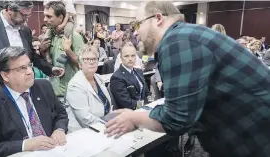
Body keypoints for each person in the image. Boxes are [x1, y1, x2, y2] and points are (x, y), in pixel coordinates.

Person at [105, 2, 270, 157]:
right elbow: (186, 106)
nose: (135, 33)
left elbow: (175, 120)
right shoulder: (185, 36)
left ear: (158, 18)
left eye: (137, 24)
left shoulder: (177, 41)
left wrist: (133, 119)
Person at [0, 46, 69, 157]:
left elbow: (61, 114)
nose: (30, 72)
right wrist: (24, 145)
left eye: (29, 65)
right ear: (5, 75)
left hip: (53, 151)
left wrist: (59, 129)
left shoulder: (43, 86)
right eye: (22, 68)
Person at [0, 0, 63, 97]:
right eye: (23, 15)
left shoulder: (25, 29)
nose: (26, 19)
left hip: (21, 91)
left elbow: (31, 55)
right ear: (9, 10)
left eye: (28, 16)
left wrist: (50, 69)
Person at [66, 45, 112, 133]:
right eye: (87, 59)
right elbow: (85, 118)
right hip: (83, 132)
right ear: (80, 65)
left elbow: (108, 105)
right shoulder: (75, 85)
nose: (91, 62)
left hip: (103, 127)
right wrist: (108, 125)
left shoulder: (98, 78)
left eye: (94, 59)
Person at [42, 1, 84, 97]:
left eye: (49, 16)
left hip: (70, 93)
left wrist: (68, 51)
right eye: (44, 16)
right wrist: (41, 50)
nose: (44, 19)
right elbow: (47, 63)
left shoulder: (75, 37)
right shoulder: (50, 36)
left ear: (60, 17)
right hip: (53, 91)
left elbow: (82, 64)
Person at [110, 42, 150, 110]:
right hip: (131, 112)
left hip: (143, 108)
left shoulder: (139, 72)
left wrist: (151, 102)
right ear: (121, 58)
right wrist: (145, 105)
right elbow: (127, 103)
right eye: (126, 56)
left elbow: (147, 93)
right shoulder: (117, 77)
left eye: (133, 55)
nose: (130, 59)